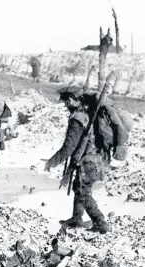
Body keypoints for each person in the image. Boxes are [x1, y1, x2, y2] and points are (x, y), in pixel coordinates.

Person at [44, 86, 111, 234]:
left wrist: (52, 161)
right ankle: (76, 218)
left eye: (68, 100)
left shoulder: (77, 119)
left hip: (88, 162)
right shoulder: (87, 114)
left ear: (74, 99)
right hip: (96, 160)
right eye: (65, 100)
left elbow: (68, 147)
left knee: (83, 193)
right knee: (78, 186)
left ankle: (100, 222)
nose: (66, 104)